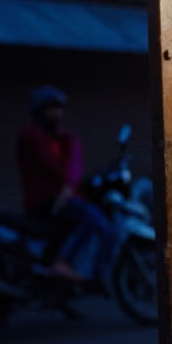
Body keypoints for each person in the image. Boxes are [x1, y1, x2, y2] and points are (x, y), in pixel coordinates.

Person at [16, 86, 111, 282]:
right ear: (38, 111)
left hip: (62, 198)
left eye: (59, 108)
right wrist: (67, 186)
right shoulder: (31, 136)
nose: (56, 113)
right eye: (50, 108)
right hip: (45, 200)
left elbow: (74, 165)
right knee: (96, 221)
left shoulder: (64, 139)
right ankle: (62, 262)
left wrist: (68, 187)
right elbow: (52, 165)